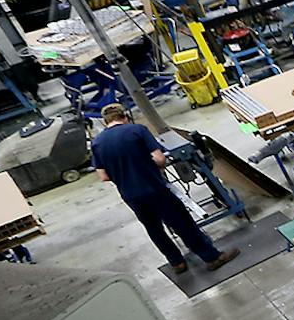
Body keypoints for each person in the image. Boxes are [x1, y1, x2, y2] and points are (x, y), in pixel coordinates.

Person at [91, 104, 238, 274]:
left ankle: (177, 263)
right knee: (181, 223)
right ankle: (212, 258)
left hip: (131, 195)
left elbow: (104, 176)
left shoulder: (97, 143)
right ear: (124, 116)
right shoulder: (137, 130)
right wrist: (145, 165)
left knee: (154, 229)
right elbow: (160, 159)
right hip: (154, 188)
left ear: (106, 121)